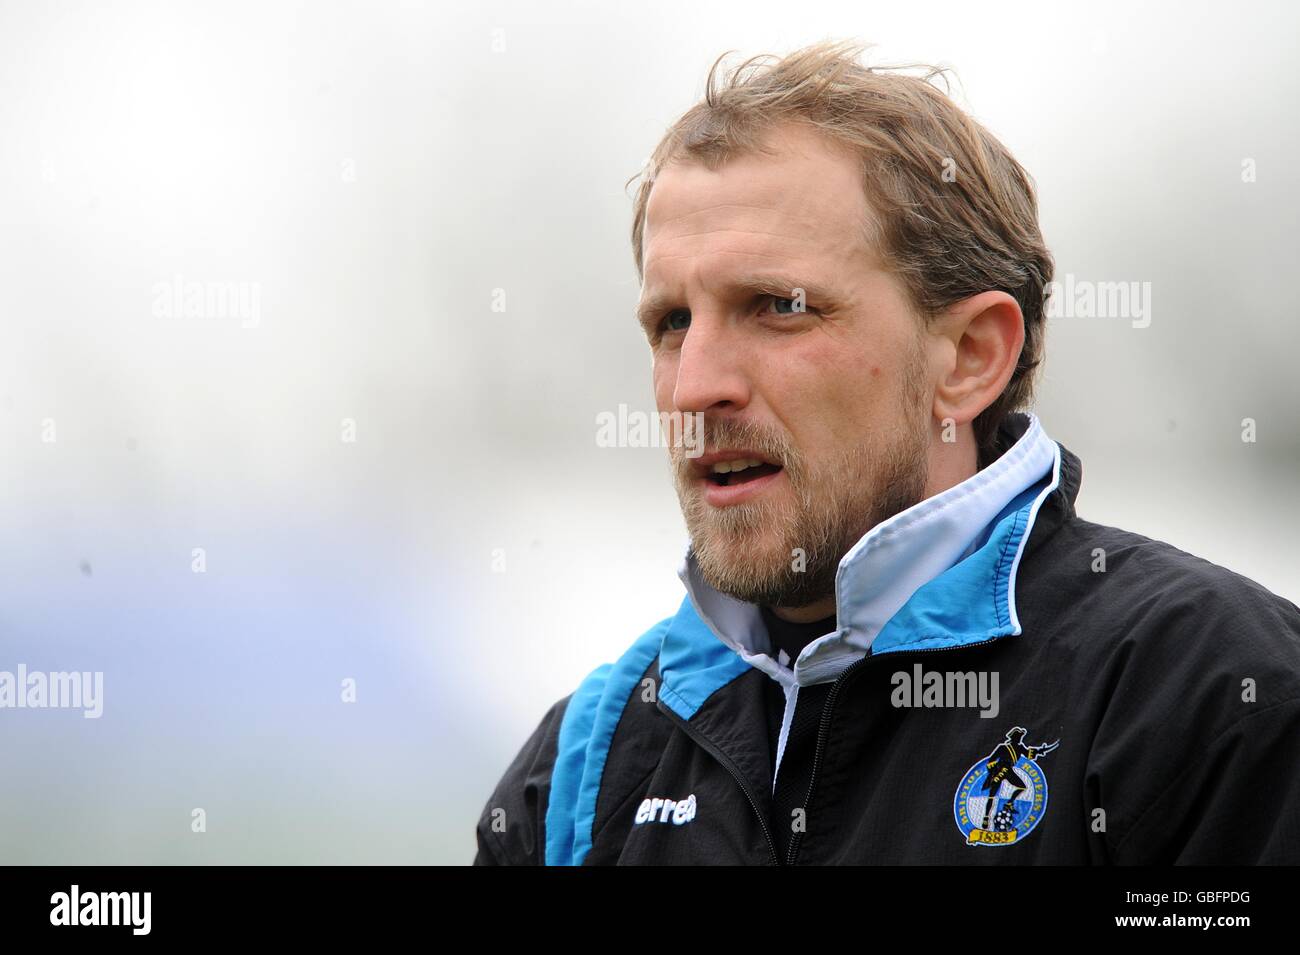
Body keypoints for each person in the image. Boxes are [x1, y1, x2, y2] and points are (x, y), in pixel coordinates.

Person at [473, 39, 1300, 865]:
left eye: (776, 306)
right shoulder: (583, 765)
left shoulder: (1214, 695)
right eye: (673, 323)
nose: (695, 388)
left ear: (971, 356)